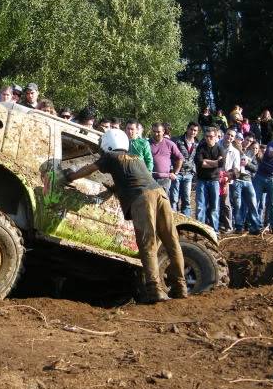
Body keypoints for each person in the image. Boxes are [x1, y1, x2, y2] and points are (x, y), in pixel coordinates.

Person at [64, 129, 187, 303]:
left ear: (108, 144)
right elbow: (133, 178)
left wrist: (71, 176)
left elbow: (90, 169)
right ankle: (180, 286)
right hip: (160, 194)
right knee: (171, 241)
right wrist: (116, 189)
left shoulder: (110, 157)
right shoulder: (135, 157)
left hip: (142, 198)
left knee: (148, 243)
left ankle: (154, 289)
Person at [195, 127, 225, 232]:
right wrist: (215, 162)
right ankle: (199, 231)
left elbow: (221, 164)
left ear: (216, 137)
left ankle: (214, 231)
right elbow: (200, 163)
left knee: (214, 207)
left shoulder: (220, 148)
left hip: (214, 181)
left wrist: (207, 162)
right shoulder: (201, 147)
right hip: (201, 180)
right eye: (206, 136)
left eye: (211, 136)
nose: (208, 138)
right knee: (200, 206)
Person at [170, 122, 199, 216]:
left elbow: (196, 158)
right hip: (177, 173)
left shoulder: (197, 143)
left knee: (186, 199)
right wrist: (171, 170)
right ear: (187, 129)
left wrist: (194, 171)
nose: (193, 132)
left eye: (195, 130)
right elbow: (170, 156)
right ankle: (173, 219)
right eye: (191, 129)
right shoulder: (177, 140)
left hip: (189, 174)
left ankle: (186, 222)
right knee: (174, 198)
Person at [150, 122, 183, 194]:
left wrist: (175, 173)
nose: (156, 134)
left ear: (163, 131)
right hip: (149, 179)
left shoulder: (169, 144)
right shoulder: (146, 143)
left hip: (164, 180)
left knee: (163, 203)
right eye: (154, 131)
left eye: (158, 132)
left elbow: (180, 158)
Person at [218, 128, 241, 232]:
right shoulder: (216, 145)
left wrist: (228, 176)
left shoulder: (235, 152)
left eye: (232, 136)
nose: (229, 137)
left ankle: (229, 226)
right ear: (224, 134)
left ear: (234, 138)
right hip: (214, 177)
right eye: (228, 134)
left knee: (226, 203)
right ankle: (213, 224)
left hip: (226, 179)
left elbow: (236, 168)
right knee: (213, 202)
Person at [233, 147, 260, 234]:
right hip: (237, 181)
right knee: (238, 204)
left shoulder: (254, 157)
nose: (255, 149)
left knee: (253, 204)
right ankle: (239, 226)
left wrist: (247, 163)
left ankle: (256, 226)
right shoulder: (238, 152)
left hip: (248, 181)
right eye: (253, 148)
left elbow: (255, 168)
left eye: (256, 148)